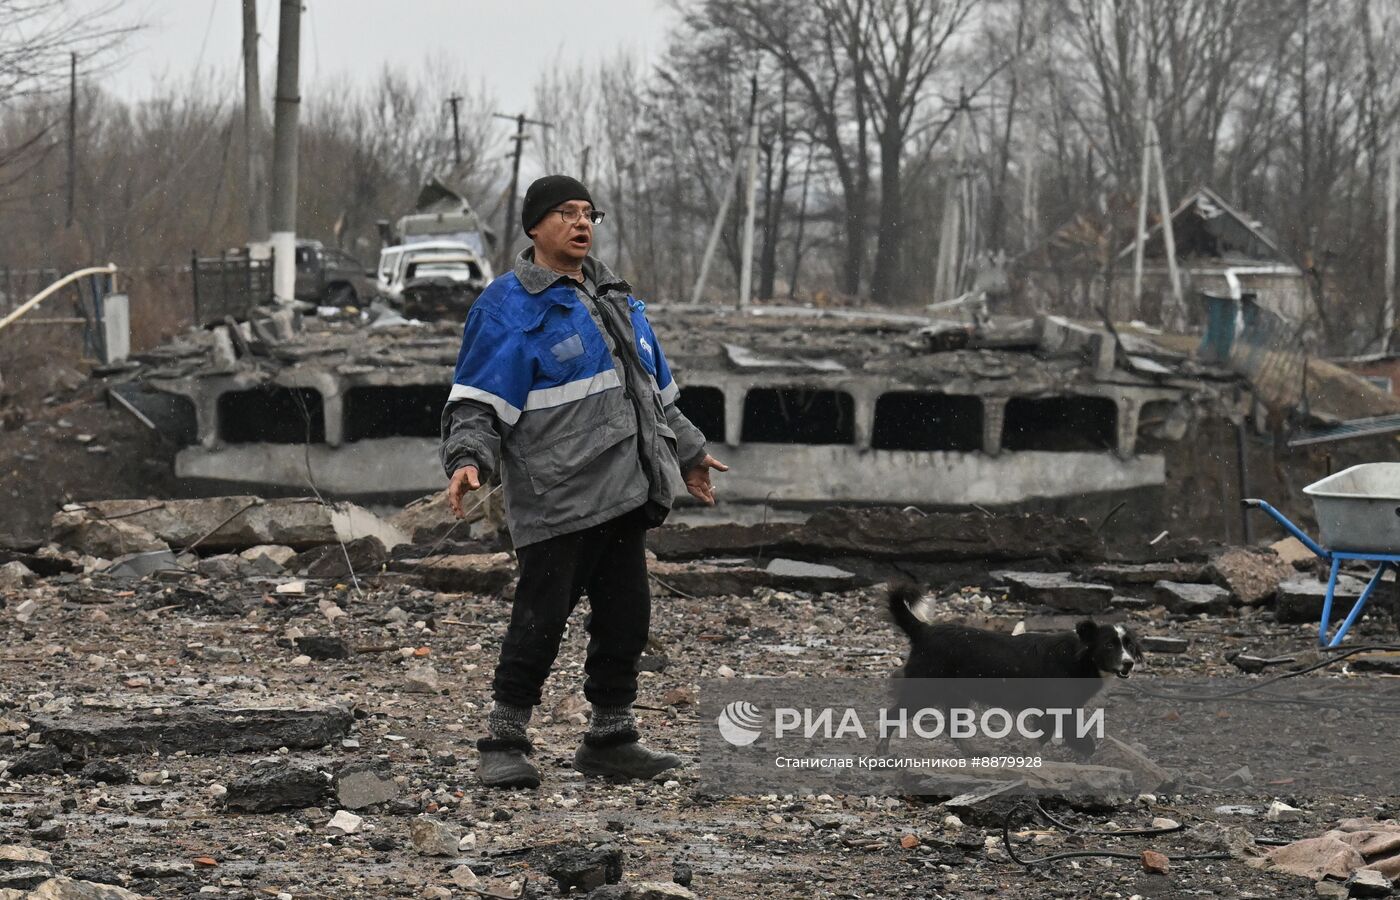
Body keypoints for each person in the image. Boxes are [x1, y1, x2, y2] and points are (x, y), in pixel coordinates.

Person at [440, 174, 728, 789]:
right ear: (535, 227)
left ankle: (610, 739)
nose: (581, 224)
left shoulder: (616, 299)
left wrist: (692, 454)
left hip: (625, 493)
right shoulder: (508, 307)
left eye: (588, 213)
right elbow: (477, 404)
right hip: (557, 499)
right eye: (565, 213)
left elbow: (656, 397)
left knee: (626, 619)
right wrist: (469, 459)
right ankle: (503, 739)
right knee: (540, 621)